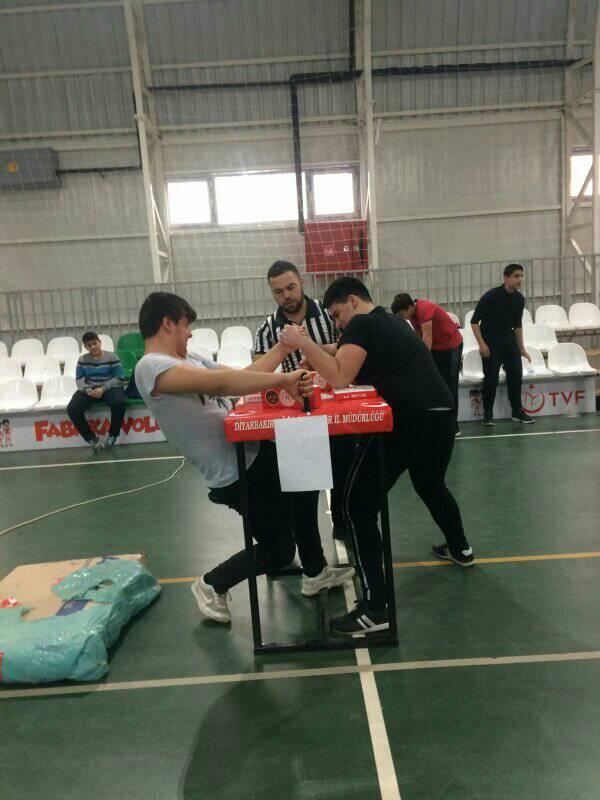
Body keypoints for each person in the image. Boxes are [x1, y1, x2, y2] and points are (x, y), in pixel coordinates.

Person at [134, 292, 354, 625]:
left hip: (252, 451)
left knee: (304, 482)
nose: (189, 333)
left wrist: (283, 348)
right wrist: (284, 379)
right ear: (167, 323)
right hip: (233, 471)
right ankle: (212, 584)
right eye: (185, 325)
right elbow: (222, 384)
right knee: (278, 550)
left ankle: (315, 571)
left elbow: (245, 375)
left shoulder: (190, 357)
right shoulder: (151, 367)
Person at [280, 277, 473, 637]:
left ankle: (375, 609)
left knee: (356, 505)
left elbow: (339, 376)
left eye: (337, 314)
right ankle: (461, 548)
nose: (338, 323)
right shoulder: (388, 321)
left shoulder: (362, 325)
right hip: (440, 417)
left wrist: (302, 341)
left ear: (352, 301)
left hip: (408, 422)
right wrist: (321, 350)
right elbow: (343, 351)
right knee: (431, 486)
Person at [254, 259, 354, 540]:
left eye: (291, 287)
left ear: (301, 283)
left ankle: (345, 526)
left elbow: (351, 348)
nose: (286, 295)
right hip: (296, 418)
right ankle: (310, 550)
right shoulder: (267, 329)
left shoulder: (329, 314)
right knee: (303, 493)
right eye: (278, 291)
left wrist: (316, 351)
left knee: (344, 476)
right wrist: (283, 351)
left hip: (336, 410)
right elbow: (258, 374)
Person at [471, 264, 533, 426]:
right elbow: (474, 322)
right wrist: (482, 344)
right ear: (506, 278)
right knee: (491, 377)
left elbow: (517, 325)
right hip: (490, 342)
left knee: (516, 374)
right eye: (516, 276)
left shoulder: (519, 299)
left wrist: (522, 348)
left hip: (509, 341)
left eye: (521, 276)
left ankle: (517, 411)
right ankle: (488, 414)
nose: (520, 279)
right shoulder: (490, 296)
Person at [391, 294, 463, 433]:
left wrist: (421, 362)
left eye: (401, 314)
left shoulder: (425, 309)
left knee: (450, 386)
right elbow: (420, 338)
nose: (401, 318)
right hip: (437, 347)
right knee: (436, 384)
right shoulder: (412, 316)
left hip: (451, 346)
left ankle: (453, 426)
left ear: (409, 307)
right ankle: (439, 421)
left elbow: (427, 337)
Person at [67, 331, 126, 452]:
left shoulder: (112, 357)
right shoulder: (82, 360)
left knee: (119, 403)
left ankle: (113, 436)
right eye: (89, 345)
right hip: (90, 389)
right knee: (72, 408)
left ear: (100, 342)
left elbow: (119, 378)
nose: (93, 347)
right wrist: (87, 389)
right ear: (85, 347)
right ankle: (91, 439)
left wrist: (103, 389)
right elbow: (79, 379)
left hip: (109, 388)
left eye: (95, 343)